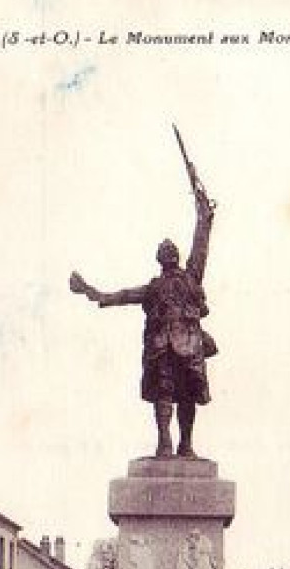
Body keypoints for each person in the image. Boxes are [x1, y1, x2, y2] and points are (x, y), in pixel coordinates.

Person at [70, 177, 217, 458]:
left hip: (188, 345)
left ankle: (186, 444)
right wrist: (93, 292)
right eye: (166, 251)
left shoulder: (191, 277)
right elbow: (124, 295)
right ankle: (164, 443)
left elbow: (201, 245)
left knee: (188, 395)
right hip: (162, 346)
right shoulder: (153, 287)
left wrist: (204, 214)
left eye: (172, 250)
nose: (170, 252)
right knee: (164, 392)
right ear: (160, 259)